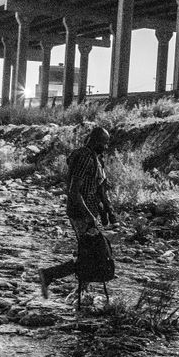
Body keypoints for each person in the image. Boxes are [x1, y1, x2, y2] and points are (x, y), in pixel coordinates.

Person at [38, 126, 115, 301]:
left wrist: (107, 211)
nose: (106, 146)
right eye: (104, 143)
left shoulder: (96, 158)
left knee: (90, 252)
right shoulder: (84, 158)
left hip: (90, 211)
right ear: (95, 141)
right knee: (93, 253)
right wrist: (89, 215)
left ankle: (81, 292)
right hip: (80, 212)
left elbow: (99, 189)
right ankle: (50, 275)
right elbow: (74, 191)